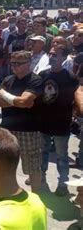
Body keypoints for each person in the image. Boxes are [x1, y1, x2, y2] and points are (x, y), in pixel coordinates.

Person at [0, 50, 43, 192]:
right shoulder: (8, 79)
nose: (14, 66)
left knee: (32, 166)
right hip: (7, 128)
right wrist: (18, 101)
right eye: (12, 63)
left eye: (18, 63)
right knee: (7, 164)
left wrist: (6, 96)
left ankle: (36, 195)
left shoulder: (36, 80)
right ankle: (11, 192)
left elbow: (24, 100)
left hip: (28, 130)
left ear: (28, 64)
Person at [38, 45, 78, 196]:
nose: (52, 56)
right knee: (42, 153)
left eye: (56, 54)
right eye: (50, 53)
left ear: (64, 58)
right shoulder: (43, 75)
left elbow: (75, 99)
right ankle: (40, 179)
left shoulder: (70, 78)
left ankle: (63, 183)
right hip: (43, 122)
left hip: (61, 123)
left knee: (62, 156)